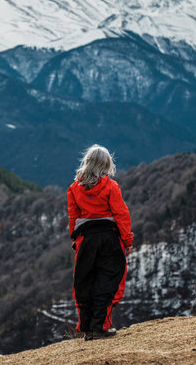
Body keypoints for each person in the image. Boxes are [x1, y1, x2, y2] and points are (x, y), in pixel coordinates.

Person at [67, 144, 133, 341]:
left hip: (86, 240)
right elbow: (121, 215)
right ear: (105, 164)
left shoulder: (73, 189)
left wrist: (75, 239)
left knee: (85, 281)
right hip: (110, 239)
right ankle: (100, 327)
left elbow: (73, 218)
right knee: (108, 280)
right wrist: (127, 240)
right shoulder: (111, 186)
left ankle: (87, 328)